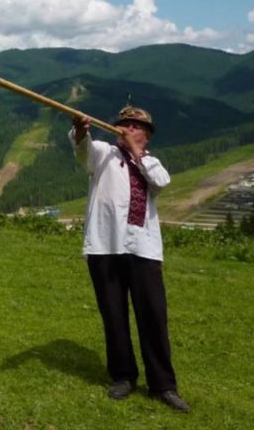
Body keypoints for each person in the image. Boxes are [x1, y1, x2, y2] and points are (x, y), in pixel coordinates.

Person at [69, 104, 190, 413]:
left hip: (144, 249)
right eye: (124, 124)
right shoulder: (103, 152)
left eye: (135, 126)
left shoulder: (152, 162)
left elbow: (161, 182)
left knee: (153, 315)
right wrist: (81, 131)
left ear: (146, 136)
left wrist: (138, 153)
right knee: (113, 313)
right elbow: (84, 154)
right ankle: (123, 376)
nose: (127, 129)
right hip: (104, 246)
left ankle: (163, 385)